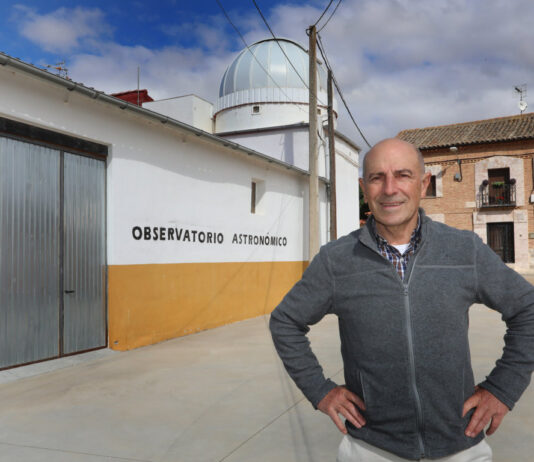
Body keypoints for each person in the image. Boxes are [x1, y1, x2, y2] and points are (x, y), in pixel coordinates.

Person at [269, 138, 534, 461]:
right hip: (370, 449)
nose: (390, 188)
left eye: (403, 175)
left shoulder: (465, 250)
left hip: (460, 447)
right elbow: (285, 321)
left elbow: (527, 308)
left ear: (423, 184)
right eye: (377, 177)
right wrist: (320, 390)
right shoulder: (335, 261)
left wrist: (503, 388)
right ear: (364, 188)